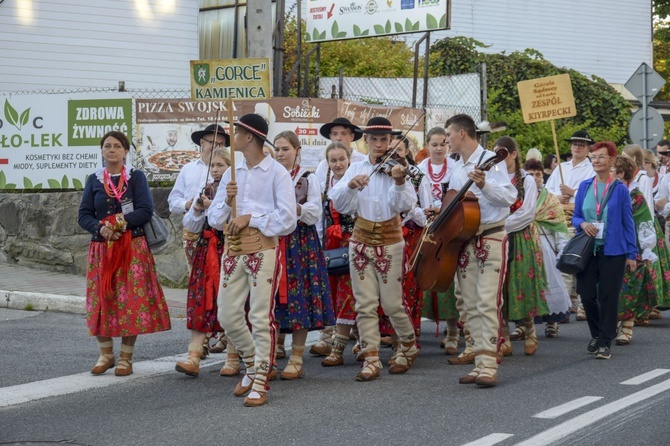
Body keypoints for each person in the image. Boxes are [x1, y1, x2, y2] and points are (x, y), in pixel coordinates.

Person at [206, 113, 297, 407]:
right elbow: (215, 219)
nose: (233, 135)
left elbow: (288, 219)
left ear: (249, 137)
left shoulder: (277, 173)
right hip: (233, 249)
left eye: (237, 131)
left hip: (263, 249)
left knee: (260, 316)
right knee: (227, 315)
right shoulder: (234, 173)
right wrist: (227, 200)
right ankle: (252, 363)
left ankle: (260, 381)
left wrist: (251, 218)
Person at [329, 116, 420, 382]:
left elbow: (404, 205)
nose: (379, 144)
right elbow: (340, 202)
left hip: (390, 239)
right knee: (365, 304)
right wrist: (350, 185)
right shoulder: (356, 167)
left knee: (392, 303)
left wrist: (400, 181)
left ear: (391, 141)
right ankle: (371, 358)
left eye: (384, 139)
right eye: (374, 139)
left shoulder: (397, 168)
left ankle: (408, 343)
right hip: (360, 238)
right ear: (365, 141)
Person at [78, 131, 171, 377]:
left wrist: (116, 225)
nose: (112, 150)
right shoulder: (94, 180)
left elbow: (145, 209)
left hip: (132, 247)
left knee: (131, 300)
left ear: (125, 151)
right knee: (102, 298)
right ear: (101, 151)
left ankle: (126, 358)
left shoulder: (136, 178)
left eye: (117, 146)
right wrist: (102, 228)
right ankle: (106, 354)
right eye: (107, 146)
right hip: (102, 248)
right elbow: (84, 215)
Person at [445, 114, 517, 387]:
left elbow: (509, 198)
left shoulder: (492, 160)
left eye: (449, 134)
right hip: (464, 240)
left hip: (491, 236)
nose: (447, 139)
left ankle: (489, 365)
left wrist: (485, 183)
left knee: (488, 301)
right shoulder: (456, 167)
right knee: (469, 304)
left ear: (462, 133)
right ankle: (478, 361)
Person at [272, 130, 335, 380]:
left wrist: (294, 206)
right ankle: (273, 348)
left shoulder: (308, 178)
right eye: (277, 149)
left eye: (285, 149)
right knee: (273, 296)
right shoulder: (271, 176)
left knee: (300, 297)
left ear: (297, 150)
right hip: (274, 239)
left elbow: (314, 213)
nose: (280, 154)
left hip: (300, 242)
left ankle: (296, 357)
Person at [571, 141, 637, 360]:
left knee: (608, 296)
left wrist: (631, 254)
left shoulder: (620, 190)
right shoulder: (584, 187)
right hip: (588, 249)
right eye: (594, 157)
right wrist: (582, 224)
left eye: (601, 157)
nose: (596, 161)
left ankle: (605, 341)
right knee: (587, 294)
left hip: (614, 250)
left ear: (611, 160)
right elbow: (576, 216)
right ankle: (598, 333)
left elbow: (628, 223)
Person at [174, 147, 231, 377]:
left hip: (231, 249)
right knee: (201, 300)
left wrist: (211, 207)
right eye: (213, 166)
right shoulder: (206, 189)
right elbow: (193, 226)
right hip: (206, 250)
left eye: (221, 165)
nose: (216, 170)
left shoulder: (235, 190)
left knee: (232, 303)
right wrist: (196, 210)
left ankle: (233, 358)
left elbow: (227, 221)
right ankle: (193, 356)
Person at [378, 135, 431, 346]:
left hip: (409, 235)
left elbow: (426, 213)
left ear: (407, 151)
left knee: (407, 285)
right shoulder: (381, 171)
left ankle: (407, 334)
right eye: (389, 150)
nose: (394, 155)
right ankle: (387, 331)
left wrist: (410, 212)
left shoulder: (417, 176)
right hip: (385, 233)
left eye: (398, 150)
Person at [498, 137, 548, 357]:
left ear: (513, 154)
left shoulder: (526, 180)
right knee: (498, 286)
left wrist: (501, 224)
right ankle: (504, 336)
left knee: (520, 283)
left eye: (503, 154)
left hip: (519, 236)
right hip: (497, 236)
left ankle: (530, 330)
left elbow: (528, 212)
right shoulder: (494, 178)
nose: (499, 159)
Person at [416, 127, 460, 354]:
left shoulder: (455, 167)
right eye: (434, 144)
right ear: (428, 146)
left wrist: (442, 211)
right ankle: (413, 330)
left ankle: (453, 331)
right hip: (427, 227)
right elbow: (414, 199)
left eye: (443, 143)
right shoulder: (420, 169)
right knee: (423, 275)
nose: (439, 148)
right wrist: (426, 212)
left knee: (450, 277)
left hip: (449, 227)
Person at [545, 130, 595, 317]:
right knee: (564, 261)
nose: (577, 147)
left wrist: (572, 192)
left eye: (582, 145)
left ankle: (583, 305)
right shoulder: (561, 168)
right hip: (560, 219)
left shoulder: (591, 169)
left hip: (581, 220)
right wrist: (558, 196)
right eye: (575, 144)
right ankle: (564, 306)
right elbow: (547, 191)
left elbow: (592, 194)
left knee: (583, 261)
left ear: (588, 148)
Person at [168, 123, 230, 267]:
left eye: (221, 144)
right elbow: (172, 201)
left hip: (220, 232)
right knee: (195, 277)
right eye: (213, 143)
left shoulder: (229, 171)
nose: (217, 147)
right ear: (202, 143)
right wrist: (188, 204)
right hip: (193, 231)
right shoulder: (188, 169)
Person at [523, 159, 571, 338]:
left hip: (545, 245)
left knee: (549, 282)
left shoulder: (550, 199)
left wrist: (562, 250)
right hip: (525, 246)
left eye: (538, 174)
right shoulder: (517, 197)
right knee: (526, 284)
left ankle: (552, 321)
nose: (535, 178)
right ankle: (524, 323)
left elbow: (558, 225)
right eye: (530, 174)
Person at [320, 142, 358, 367]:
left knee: (351, 294)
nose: (337, 164)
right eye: (333, 160)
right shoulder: (324, 183)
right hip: (332, 246)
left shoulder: (355, 181)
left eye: (341, 159)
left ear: (349, 159)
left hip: (354, 243)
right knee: (337, 294)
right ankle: (358, 343)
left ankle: (339, 348)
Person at [613, 156, 658, 345]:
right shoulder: (606, 191)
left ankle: (627, 328)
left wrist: (645, 249)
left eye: (613, 170)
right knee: (610, 287)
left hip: (631, 246)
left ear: (622, 173)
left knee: (628, 287)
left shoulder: (635, 195)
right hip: (610, 245)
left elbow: (644, 223)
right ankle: (613, 322)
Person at [314, 117, 366, 185]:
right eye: (335, 134)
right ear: (330, 136)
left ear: (352, 136)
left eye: (344, 134)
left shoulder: (363, 161)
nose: (338, 138)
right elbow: (318, 190)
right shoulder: (324, 165)